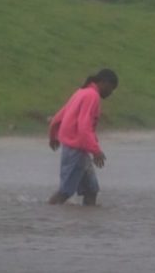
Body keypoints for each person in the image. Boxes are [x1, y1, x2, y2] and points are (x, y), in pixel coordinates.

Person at [47, 69, 118, 206]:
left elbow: (60, 115)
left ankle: (89, 224)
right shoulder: (92, 96)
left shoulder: (81, 92)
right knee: (65, 192)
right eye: (111, 88)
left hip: (79, 149)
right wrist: (96, 150)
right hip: (76, 149)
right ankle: (47, 216)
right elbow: (84, 127)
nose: (111, 93)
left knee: (91, 190)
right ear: (104, 82)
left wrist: (53, 134)